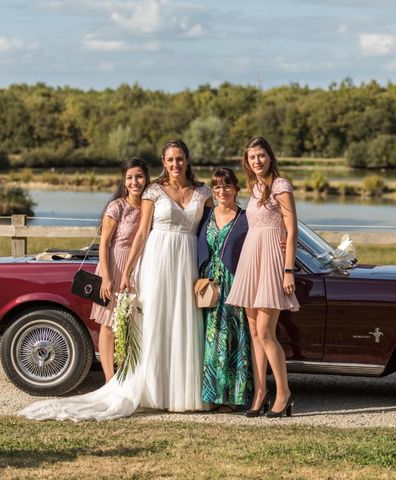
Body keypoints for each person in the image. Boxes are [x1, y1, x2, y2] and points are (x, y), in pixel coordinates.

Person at [20, 140, 212, 420]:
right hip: (157, 262)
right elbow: (142, 234)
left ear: (188, 159)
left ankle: (181, 392)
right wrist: (129, 271)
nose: (175, 164)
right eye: (170, 159)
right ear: (163, 161)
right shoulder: (153, 191)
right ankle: (152, 389)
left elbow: (213, 227)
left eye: (180, 159)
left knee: (184, 322)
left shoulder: (203, 193)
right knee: (154, 322)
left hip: (186, 263)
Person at [226, 136, 299, 418]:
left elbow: (292, 230)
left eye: (261, 155)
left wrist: (288, 269)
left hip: (271, 262)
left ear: (270, 157)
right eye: (252, 157)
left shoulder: (280, 186)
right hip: (250, 261)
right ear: (247, 161)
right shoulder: (254, 188)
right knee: (254, 333)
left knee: (267, 333)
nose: (257, 161)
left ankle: (284, 393)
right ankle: (259, 392)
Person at [197, 168, 252, 412]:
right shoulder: (205, 215)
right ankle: (214, 394)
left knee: (233, 340)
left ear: (236, 189)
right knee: (212, 339)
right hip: (209, 285)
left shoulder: (245, 217)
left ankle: (234, 397)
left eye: (227, 186)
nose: (222, 191)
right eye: (217, 187)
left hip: (234, 282)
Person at [91, 158, 148, 383]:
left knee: (130, 323)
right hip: (114, 266)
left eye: (139, 176)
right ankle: (109, 378)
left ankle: (127, 373)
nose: (135, 182)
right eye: (130, 177)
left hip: (138, 268)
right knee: (109, 322)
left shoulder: (148, 205)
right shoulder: (117, 207)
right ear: (124, 182)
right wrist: (106, 277)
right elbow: (104, 243)